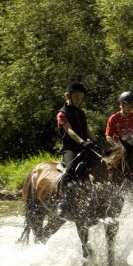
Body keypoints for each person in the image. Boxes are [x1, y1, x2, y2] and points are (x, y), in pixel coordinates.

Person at [56, 81, 102, 218]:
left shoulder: (81, 112)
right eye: (76, 97)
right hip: (70, 148)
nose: (79, 100)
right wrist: (82, 141)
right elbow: (69, 130)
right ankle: (63, 202)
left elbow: (87, 129)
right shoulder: (62, 114)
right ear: (68, 96)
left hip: (85, 146)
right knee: (69, 171)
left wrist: (95, 141)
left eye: (81, 97)